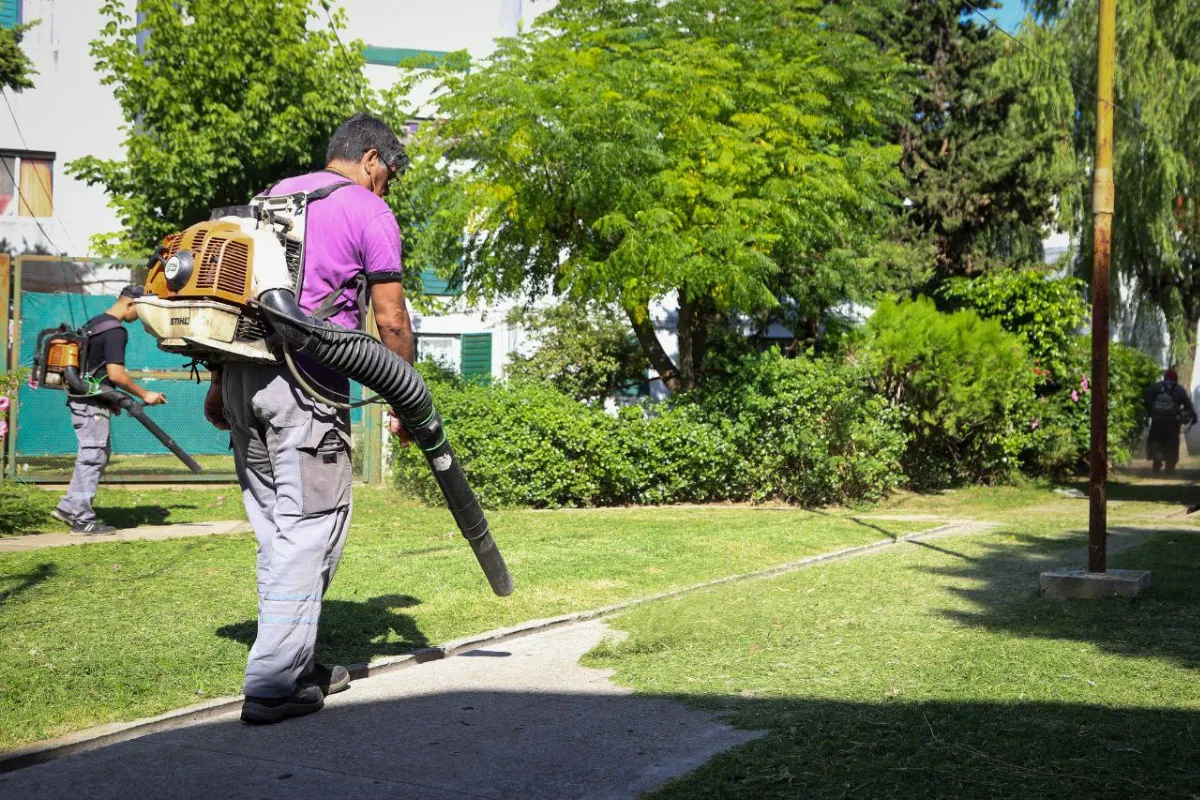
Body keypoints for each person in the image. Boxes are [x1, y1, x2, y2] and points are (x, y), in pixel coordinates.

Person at [203, 113, 414, 725]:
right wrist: (404, 396)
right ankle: (272, 686)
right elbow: (391, 318)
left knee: (275, 527)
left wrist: (220, 386)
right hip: (307, 388)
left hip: (244, 379)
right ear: (372, 158)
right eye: (390, 175)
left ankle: (296, 664)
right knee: (313, 525)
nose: (387, 188)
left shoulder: (270, 198)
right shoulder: (367, 211)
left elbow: (237, 297)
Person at [50, 286, 168, 535]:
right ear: (130, 304)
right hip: (89, 402)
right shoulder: (116, 331)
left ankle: (68, 506)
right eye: (140, 310)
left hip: (86, 398)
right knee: (92, 457)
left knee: (98, 454)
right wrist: (144, 394)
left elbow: (96, 370)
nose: (140, 316)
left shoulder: (95, 323)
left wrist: (112, 399)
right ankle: (82, 518)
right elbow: (116, 374)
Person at [1144, 368, 1196, 475]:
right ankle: (1170, 467)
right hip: (1172, 421)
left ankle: (1156, 462)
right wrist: (1192, 417)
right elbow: (1188, 405)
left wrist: (1150, 413)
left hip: (1157, 420)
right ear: (1175, 379)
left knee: (1156, 441)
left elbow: (1147, 400)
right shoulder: (1179, 389)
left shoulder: (1155, 387)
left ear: (1165, 377)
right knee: (1171, 443)